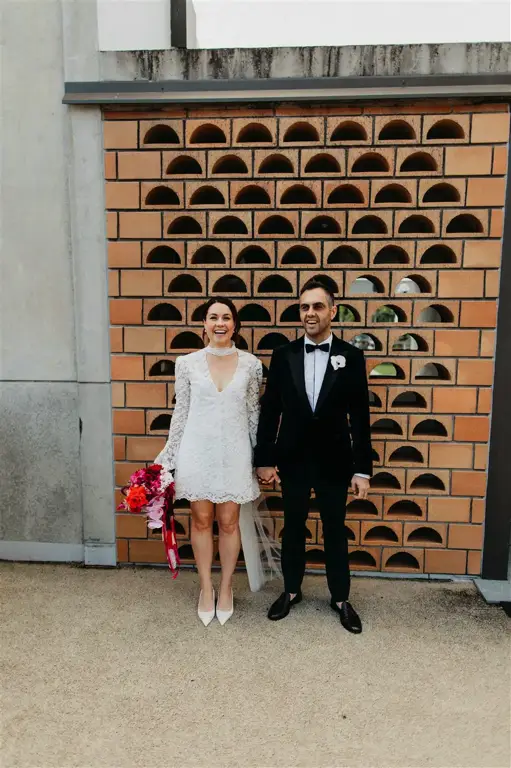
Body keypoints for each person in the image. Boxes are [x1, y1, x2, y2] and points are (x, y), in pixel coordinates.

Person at [254, 279, 373, 634]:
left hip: (336, 462)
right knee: (292, 529)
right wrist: (264, 458)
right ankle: (291, 591)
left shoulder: (351, 357)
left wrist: (362, 470)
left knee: (336, 530)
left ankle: (340, 598)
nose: (310, 313)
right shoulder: (283, 354)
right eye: (304, 307)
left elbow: (361, 418)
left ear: (332, 311)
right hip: (292, 460)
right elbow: (269, 411)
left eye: (317, 306)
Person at [155, 297, 264, 627]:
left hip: (234, 452)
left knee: (229, 521)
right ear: (203, 324)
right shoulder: (186, 364)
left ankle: (227, 586)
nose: (220, 323)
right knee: (201, 520)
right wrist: (167, 458)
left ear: (235, 325)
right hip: (196, 451)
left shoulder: (251, 365)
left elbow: (253, 415)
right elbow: (181, 413)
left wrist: (261, 458)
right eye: (213, 317)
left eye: (226, 317)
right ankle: (205, 587)